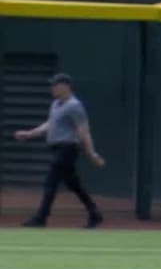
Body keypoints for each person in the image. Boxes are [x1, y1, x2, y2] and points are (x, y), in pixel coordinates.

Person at [15, 73, 105, 229]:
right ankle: (94, 213)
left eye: (55, 85)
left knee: (50, 182)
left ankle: (41, 218)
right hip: (56, 149)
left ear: (66, 86)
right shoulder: (56, 104)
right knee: (74, 185)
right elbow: (49, 124)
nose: (52, 88)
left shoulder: (75, 106)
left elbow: (83, 131)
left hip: (67, 149)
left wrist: (92, 153)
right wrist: (29, 133)